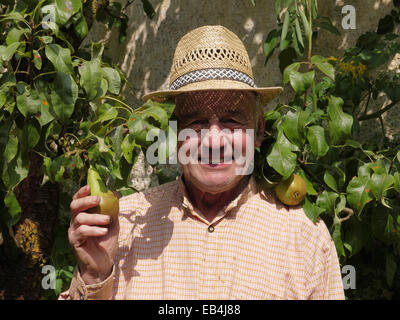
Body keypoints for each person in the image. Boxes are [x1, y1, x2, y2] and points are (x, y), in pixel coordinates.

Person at [60, 25, 345, 300]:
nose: (214, 141)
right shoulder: (124, 226)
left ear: (258, 131)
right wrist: (95, 277)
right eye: (196, 122)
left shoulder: (304, 237)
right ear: (175, 134)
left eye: (232, 120)